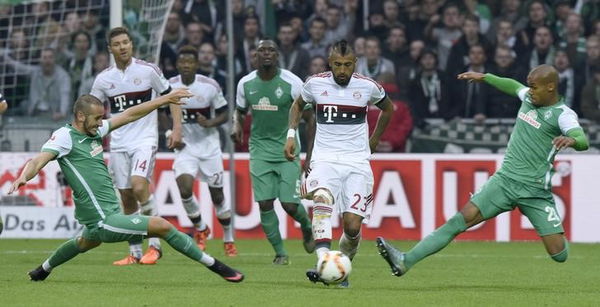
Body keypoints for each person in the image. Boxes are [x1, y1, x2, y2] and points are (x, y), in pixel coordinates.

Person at [8, 89, 244, 283]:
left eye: (102, 118)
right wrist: (24, 176)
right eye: (97, 118)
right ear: (80, 116)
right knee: (162, 225)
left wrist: (165, 99)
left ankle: (43, 270)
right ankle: (216, 266)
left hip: (103, 216)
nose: (101, 123)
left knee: (84, 242)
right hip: (103, 219)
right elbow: (40, 158)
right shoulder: (65, 137)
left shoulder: (94, 131)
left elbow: (130, 114)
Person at [377, 64, 589, 277]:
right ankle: (405, 261)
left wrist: (572, 140)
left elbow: (583, 140)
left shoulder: (562, 114)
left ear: (550, 87)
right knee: (461, 219)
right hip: (504, 181)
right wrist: (486, 77)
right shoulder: (529, 98)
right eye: (530, 87)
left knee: (558, 254)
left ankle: (551, 231)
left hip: (534, 191)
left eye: (534, 87)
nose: (530, 91)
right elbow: (513, 86)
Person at [284, 40, 393, 287]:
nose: (342, 70)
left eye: (346, 65)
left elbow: (389, 109)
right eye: (337, 65)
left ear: (355, 64)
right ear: (329, 63)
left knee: (352, 227)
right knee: (322, 198)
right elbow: (297, 105)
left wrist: (374, 139)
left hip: (357, 161)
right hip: (325, 159)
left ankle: (342, 266)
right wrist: (291, 135)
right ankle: (323, 261)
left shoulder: (368, 86)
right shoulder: (315, 83)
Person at [90, 27, 183, 265]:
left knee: (139, 186)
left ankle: (155, 246)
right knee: (127, 196)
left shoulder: (148, 71)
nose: (122, 47)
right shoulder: (103, 79)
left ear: (132, 44)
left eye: (126, 42)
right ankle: (135, 252)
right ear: (110, 49)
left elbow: (171, 96)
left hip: (144, 140)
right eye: (117, 44)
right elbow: (92, 111)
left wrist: (177, 128)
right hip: (118, 143)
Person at [232, 39, 315, 265]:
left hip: (287, 149)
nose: (266, 54)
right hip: (259, 150)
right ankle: (280, 253)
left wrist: (309, 154)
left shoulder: (292, 82)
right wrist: (236, 124)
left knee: (289, 204)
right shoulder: (245, 83)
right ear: (255, 55)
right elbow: (239, 111)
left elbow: (310, 118)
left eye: (271, 50)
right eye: (262, 50)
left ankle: (307, 228)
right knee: (265, 203)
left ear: (277, 56)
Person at [170, 45, 237, 257]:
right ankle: (200, 229)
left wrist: (209, 122)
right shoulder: (170, 86)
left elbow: (225, 113)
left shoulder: (209, 86)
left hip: (209, 147)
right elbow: (162, 112)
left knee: (217, 196)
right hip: (185, 148)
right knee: (185, 189)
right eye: (183, 62)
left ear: (197, 65)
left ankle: (228, 238)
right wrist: (172, 134)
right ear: (178, 65)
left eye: (190, 62)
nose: (186, 66)